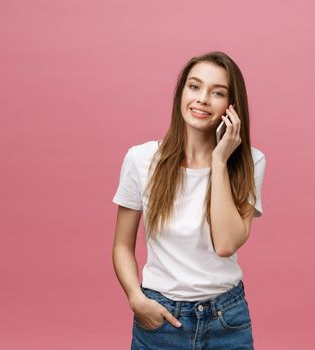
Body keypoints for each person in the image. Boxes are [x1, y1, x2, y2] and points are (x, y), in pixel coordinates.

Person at [111, 51, 266, 350]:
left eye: (217, 92)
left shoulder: (250, 162)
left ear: (232, 107)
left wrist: (220, 161)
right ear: (181, 92)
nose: (203, 99)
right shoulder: (141, 159)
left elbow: (225, 244)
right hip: (161, 319)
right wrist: (135, 299)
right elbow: (121, 245)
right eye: (194, 87)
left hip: (227, 320)